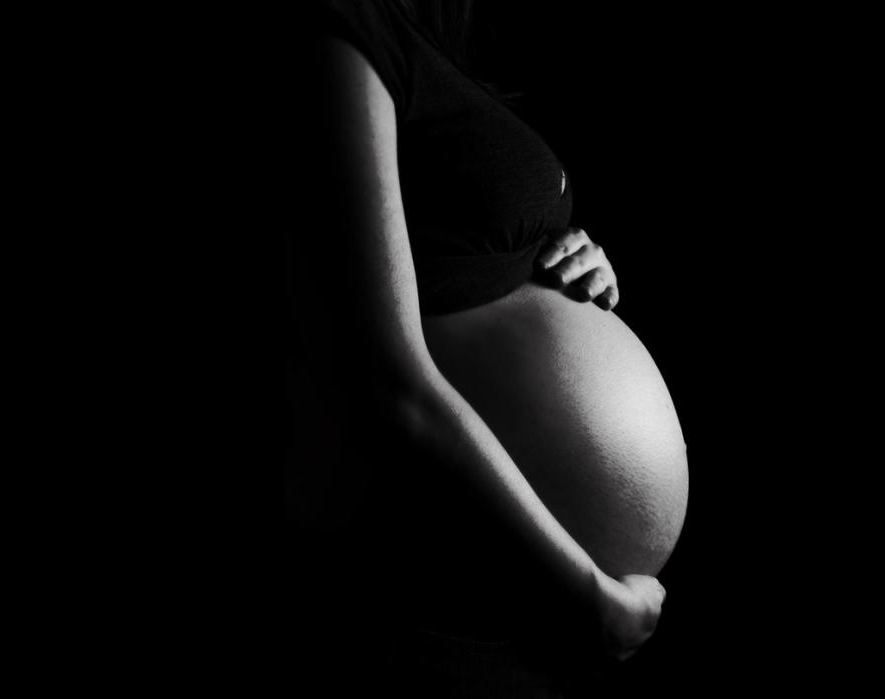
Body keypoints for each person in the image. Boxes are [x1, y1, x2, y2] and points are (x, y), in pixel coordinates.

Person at [281, 1, 689, 695]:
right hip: (442, 592)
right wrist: (583, 593)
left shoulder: (430, 49)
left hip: (518, 612)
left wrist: (565, 266)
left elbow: (460, 252)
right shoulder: (340, 30)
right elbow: (385, 381)